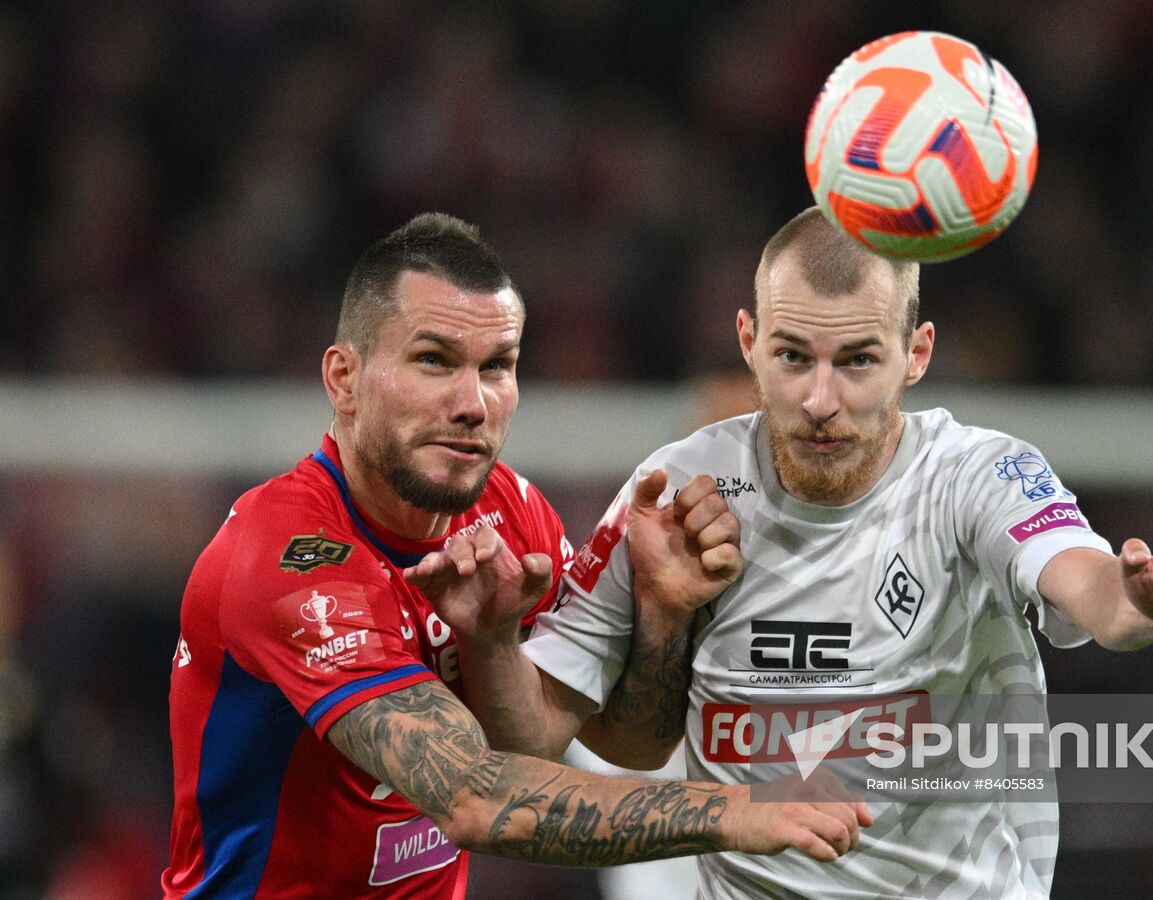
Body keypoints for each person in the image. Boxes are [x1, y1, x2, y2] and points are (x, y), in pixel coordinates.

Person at [443, 207, 1153, 899]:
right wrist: (496, 638)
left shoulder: (977, 475)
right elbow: (537, 741)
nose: (821, 401)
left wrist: (1140, 601)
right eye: (793, 357)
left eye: (858, 360)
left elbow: (1095, 593)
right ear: (749, 342)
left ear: (917, 353)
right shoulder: (679, 489)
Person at [161, 212, 871, 898]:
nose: (472, 402)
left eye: (496, 366)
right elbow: (474, 798)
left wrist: (660, 614)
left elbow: (619, 743)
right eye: (434, 361)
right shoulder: (288, 560)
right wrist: (732, 812)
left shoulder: (513, 513)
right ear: (344, 380)